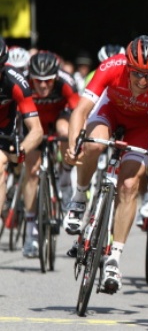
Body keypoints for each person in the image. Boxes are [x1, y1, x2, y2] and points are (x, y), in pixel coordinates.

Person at [63, 35, 148, 294]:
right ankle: (80, 196)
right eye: (137, 73)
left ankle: (114, 257)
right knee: (93, 144)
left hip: (142, 126)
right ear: (127, 66)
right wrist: (73, 146)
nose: (143, 81)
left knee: (129, 184)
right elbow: (81, 110)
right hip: (109, 112)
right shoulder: (111, 67)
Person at [20, 51, 80, 257]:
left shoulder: (67, 83)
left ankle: (64, 178)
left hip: (58, 118)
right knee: (33, 170)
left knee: (66, 131)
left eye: (48, 81)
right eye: (38, 81)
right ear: (31, 77)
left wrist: (76, 142)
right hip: (32, 121)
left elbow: (78, 114)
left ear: (56, 77)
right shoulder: (23, 83)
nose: (43, 85)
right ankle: (31, 233)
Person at [0, 37, 44, 242]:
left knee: (0, 165)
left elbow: (36, 130)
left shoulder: (15, 81)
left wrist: (21, 149)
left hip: (3, 131)